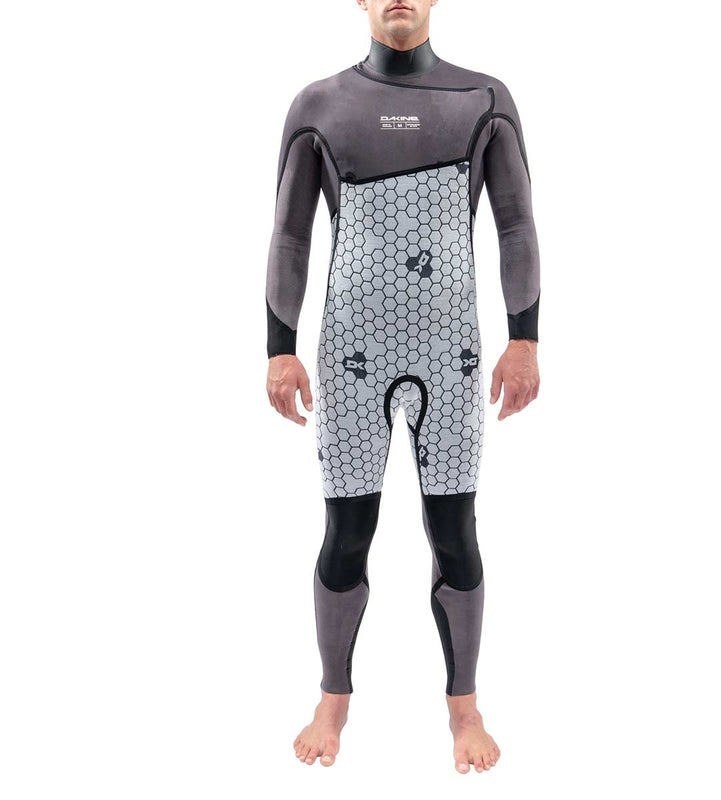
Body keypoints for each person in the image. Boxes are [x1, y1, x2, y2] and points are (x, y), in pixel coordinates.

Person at [265, 0, 540, 774]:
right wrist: (278, 350)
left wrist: (525, 339)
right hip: (351, 356)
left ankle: (465, 710)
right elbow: (289, 235)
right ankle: (333, 700)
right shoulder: (319, 106)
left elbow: (517, 226)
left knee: (455, 532)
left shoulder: (483, 99)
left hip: (453, 359)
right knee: (346, 533)